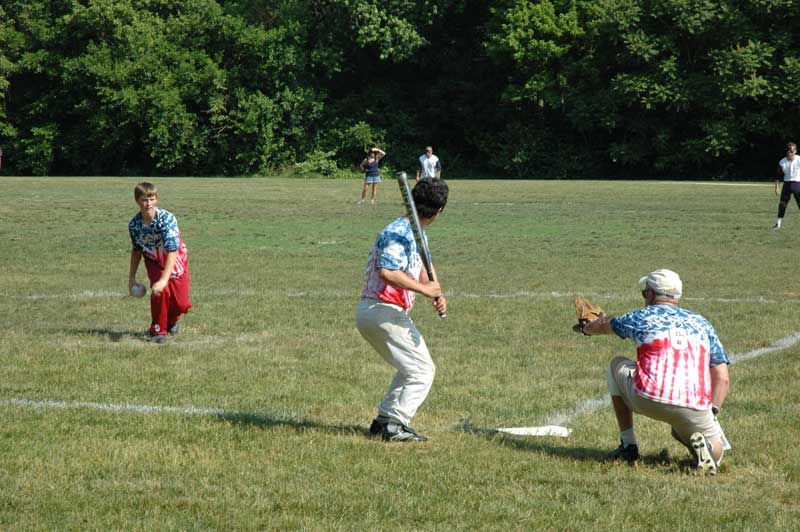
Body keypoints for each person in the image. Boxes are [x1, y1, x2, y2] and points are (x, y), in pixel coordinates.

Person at [577, 269, 731, 474]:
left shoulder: (641, 317)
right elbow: (722, 378)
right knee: (713, 444)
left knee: (616, 364)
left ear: (650, 294)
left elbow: (605, 326)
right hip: (694, 403)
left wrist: (587, 328)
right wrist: (712, 412)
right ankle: (708, 450)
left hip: (650, 396)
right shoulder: (703, 323)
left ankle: (628, 445)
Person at [356, 178, 449, 442]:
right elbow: (387, 272)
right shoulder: (397, 232)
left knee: (410, 367)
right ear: (440, 210)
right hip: (381, 310)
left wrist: (436, 292)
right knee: (423, 370)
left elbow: (422, 269)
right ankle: (396, 425)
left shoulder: (416, 232)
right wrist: (425, 290)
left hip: (380, 312)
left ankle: (384, 419)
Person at [128, 182, 192, 344]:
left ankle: (172, 320)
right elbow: (137, 251)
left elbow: (172, 250)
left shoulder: (167, 219)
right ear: (137, 201)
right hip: (154, 260)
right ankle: (158, 330)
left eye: (151, 199)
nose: (148, 203)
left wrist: (165, 279)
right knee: (159, 293)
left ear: (156, 199)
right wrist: (131, 278)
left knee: (182, 304)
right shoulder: (134, 225)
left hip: (174, 258)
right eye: (144, 200)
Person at [773, 142, 800, 230]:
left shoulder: (799, 159)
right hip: (787, 185)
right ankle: (778, 224)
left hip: (797, 184)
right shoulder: (782, 162)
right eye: (787, 150)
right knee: (782, 205)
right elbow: (777, 176)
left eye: (791, 150)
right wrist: (777, 187)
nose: (789, 152)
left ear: (795, 151)